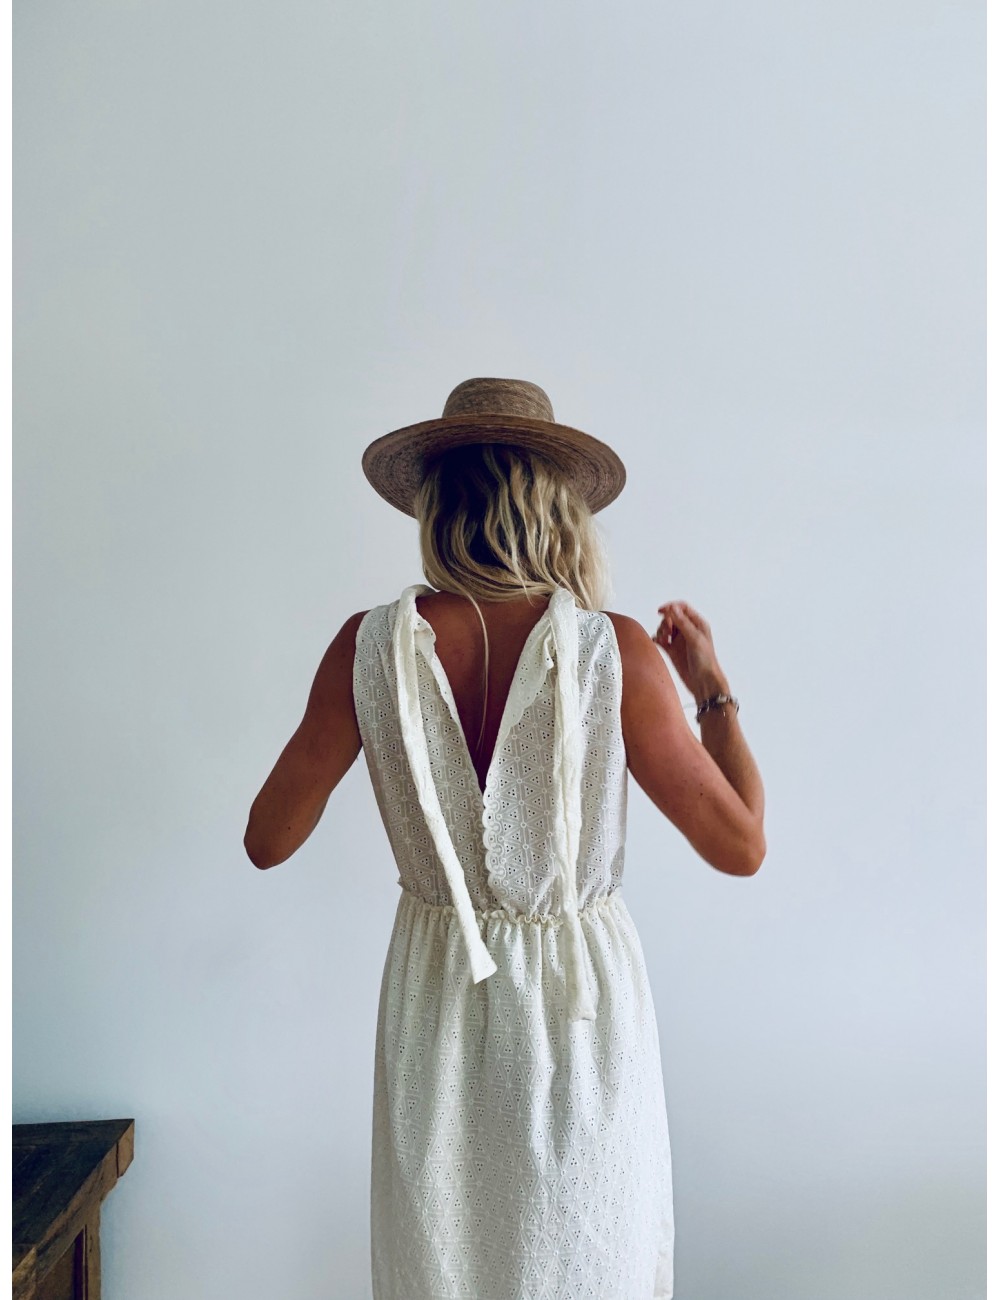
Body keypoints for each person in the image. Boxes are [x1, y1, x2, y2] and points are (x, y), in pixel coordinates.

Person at [244, 377, 766, 1300]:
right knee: (588, 1252)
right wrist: (712, 692)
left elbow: (268, 838)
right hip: (581, 1011)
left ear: (438, 508)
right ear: (556, 509)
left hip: (435, 997)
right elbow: (742, 845)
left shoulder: (368, 648)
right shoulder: (615, 653)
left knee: (443, 1263)